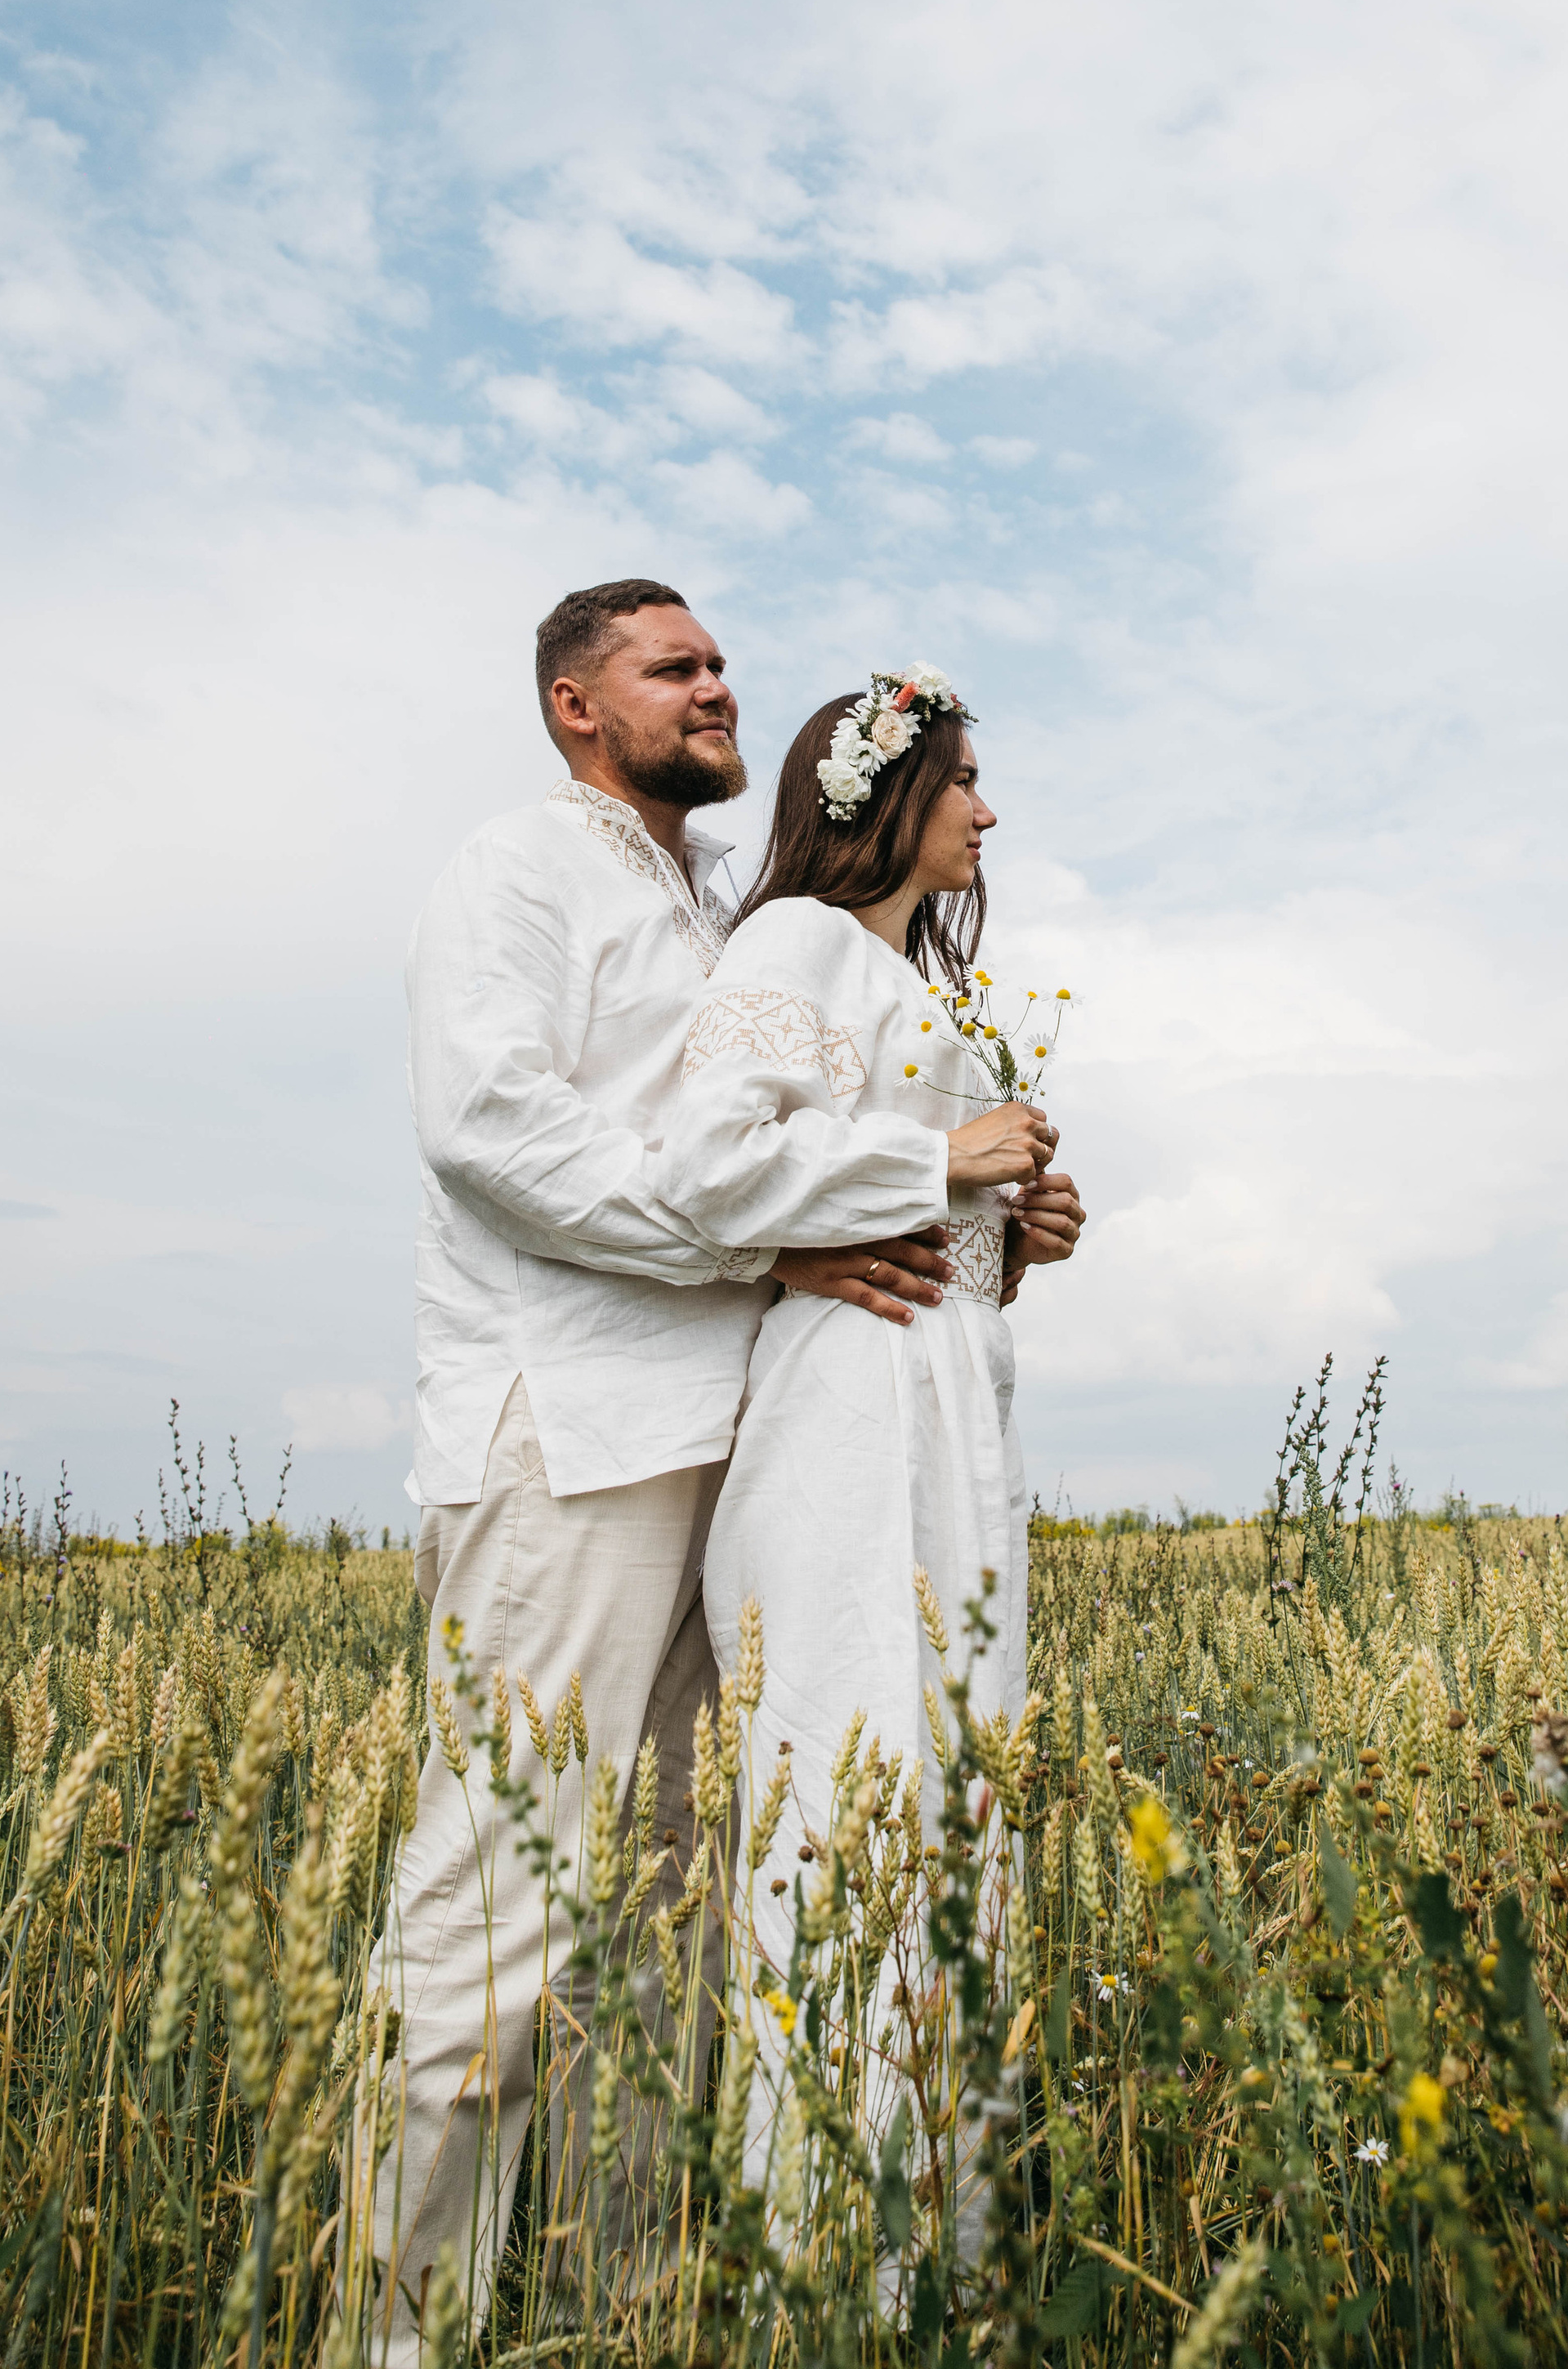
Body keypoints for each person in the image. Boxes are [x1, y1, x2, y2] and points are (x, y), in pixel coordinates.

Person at [367, 582, 958, 2368]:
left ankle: (621, 2316)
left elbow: (773, 1141)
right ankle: (403, 2331)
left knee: (678, 1913)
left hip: (746, 1449)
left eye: (719, 667)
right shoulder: (518, 872)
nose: (716, 689)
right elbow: (491, 1131)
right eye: (672, 668)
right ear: (573, 704)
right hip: (574, 1434)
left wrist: (964, 1194)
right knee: (504, 1897)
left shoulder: (725, 911)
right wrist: (748, 1250)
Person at [653, 665, 1085, 2225]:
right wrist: (939, 1153)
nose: (987, 807)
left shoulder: (935, 989)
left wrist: (1020, 1226)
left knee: (963, 1766)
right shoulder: (793, 942)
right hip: (851, 1400)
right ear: (887, 799)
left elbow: (925, 1202)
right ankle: (828, 2232)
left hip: (957, 1393)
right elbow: (713, 1165)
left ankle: (946, 2224)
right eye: (962, 778)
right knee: (860, 1763)